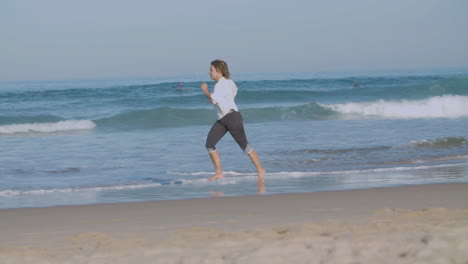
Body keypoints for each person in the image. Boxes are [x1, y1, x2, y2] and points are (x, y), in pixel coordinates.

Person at [200, 60, 265, 186]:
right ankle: (219, 171)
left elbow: (213, 100)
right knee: (209, 144)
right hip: (223, 119)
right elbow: (234, 93)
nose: (209, 72)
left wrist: (205, 90)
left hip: (231, 118)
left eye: (211, 70)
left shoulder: (219, 85)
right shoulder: (230, 83)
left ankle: (260, 169)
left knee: (244, 146)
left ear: (218, 71)